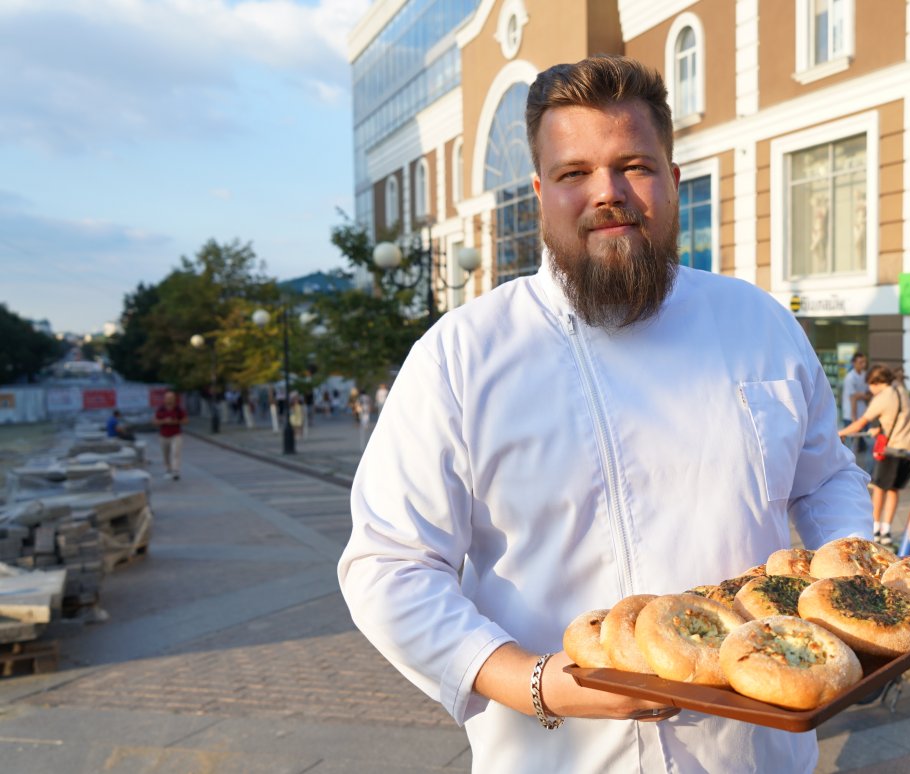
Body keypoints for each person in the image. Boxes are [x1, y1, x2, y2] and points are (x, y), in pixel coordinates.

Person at [338, 55, 870, 773]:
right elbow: (389, 563)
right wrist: (531, 681)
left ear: (675, 181)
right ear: (539, 194)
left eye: (634, 166)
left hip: (756, 753)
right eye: (574, 174)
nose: (608, 194)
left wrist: (854, 599)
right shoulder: (463, 356)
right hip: (557, 756)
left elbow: (825, 480)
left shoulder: (760, 324)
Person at [838, 365, 910, 546]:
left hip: (892, 449)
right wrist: (881, 428)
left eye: (869, 385)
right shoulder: (900, 389)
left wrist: (840, 433)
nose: (869, 390)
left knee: (879, 488)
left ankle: (874, 530)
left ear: (875, 383)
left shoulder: (882, 397)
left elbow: (860, 424)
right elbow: (902, 415)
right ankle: (886, 530)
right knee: (893, 489)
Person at [153, 391, 187, 480]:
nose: (169, 400)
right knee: (166, 454)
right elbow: (155, 422)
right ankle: (168, 469)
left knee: (176, 452)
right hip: (163, 435)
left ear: (174, 399)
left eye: (171, 398)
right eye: (167, 398)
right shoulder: (161, 409)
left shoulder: (178, 409)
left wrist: (176, 422)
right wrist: (164, 421)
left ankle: (176, 471)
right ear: (164, 399)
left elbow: (186, 420)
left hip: (176, 434)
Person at [840, 352, 869, 453]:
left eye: (864, 362)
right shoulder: (850, 377)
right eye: (860, 362)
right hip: (851, 415)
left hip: (863, 414)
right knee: (851, 443)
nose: (863, 365)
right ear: (854, 363)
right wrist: (853, 417)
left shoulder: (865, 375)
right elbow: (853, 397)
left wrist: (861, 395)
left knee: (862, 445)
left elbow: (867, 394)